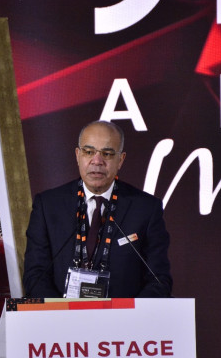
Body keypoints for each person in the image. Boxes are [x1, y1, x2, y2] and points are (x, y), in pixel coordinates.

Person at [23, 120, 172, 298]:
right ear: (77, 155)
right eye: (88, 152)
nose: (97, 161)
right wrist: (61, 311)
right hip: (62, 313)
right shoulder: (48, 205)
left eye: (107, 154)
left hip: (123, 315)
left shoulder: (146, 209)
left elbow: (159, 279)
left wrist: (130, 312)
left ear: (120, 160)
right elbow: (35, 275)